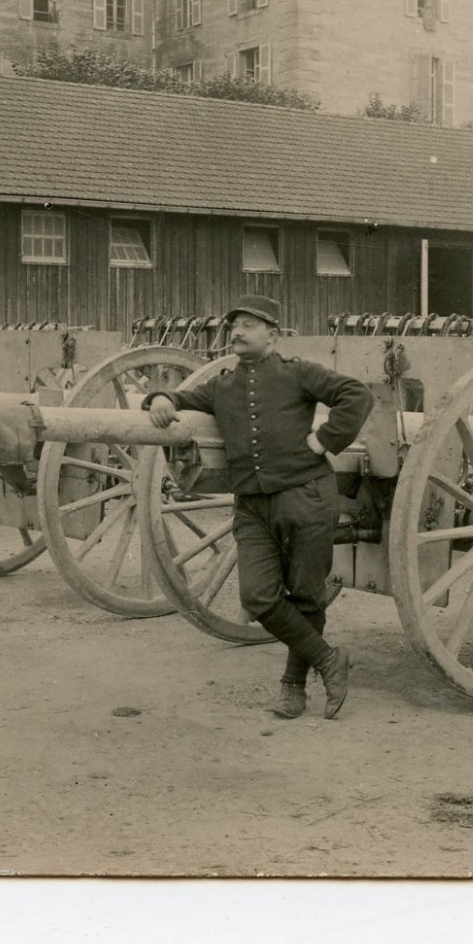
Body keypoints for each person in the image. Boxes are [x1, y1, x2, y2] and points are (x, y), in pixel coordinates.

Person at [144, 295, 374, 719]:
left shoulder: (297, 372)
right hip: (252, 505)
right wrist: (162, 399)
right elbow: (183, 397)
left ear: (273, 334)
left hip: (305, 496)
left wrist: (325, 440)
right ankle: (327, 659)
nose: (238, 332)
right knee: (258, 596)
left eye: (249, 325)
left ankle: (292, 687)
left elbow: (355, 395)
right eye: (234, 325)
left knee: (306, 596)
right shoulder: (224, 384)